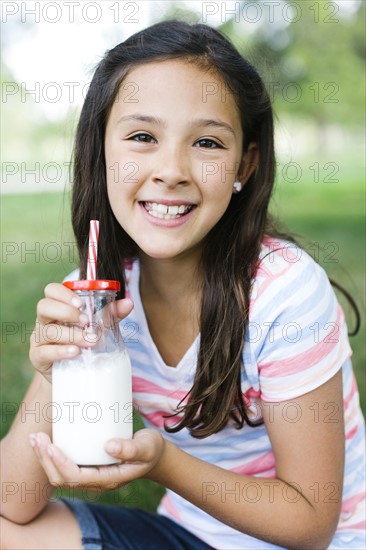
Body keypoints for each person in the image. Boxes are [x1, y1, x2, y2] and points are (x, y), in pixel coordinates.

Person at [1, 20, 365, 550]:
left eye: (207, 142)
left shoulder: (284, 293)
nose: (171, 169)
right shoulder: (96, 296)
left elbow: (311, 523)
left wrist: (164, 463)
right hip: (190, 535)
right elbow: (14, 501)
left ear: (245, 163)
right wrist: (58, 370)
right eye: (143, 137)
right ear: (101, 149)